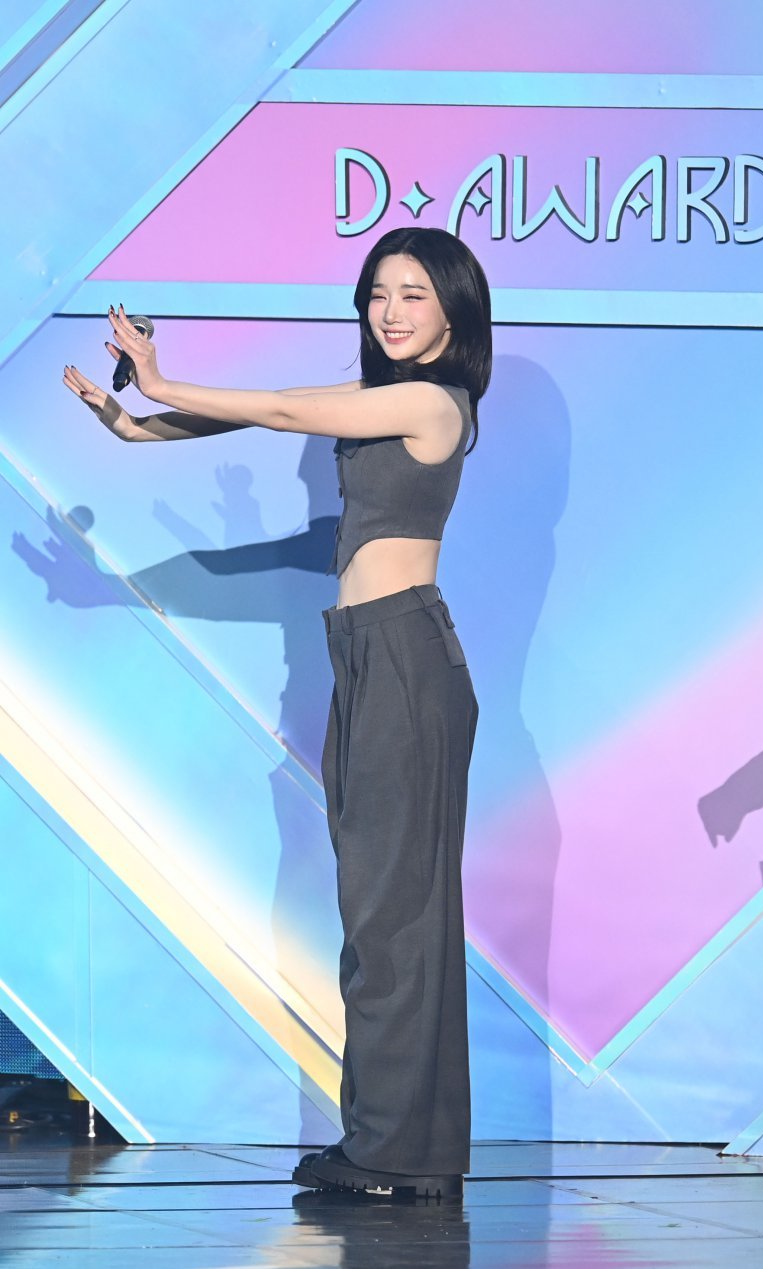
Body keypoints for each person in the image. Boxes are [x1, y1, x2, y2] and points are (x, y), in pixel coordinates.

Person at [62, 226, 491, 1203]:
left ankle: (398, 1154)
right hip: (367, 655)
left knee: (395, 916)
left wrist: (162, 381)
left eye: (414, 294)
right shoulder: (382, 400)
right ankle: (397, 1145)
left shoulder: (433, 401)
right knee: (379, 912)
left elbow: (285, 407)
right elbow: (258, 420)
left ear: (454, 311)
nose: (389, 311)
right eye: (378, 292)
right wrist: (132, 424)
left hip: (405, 656)